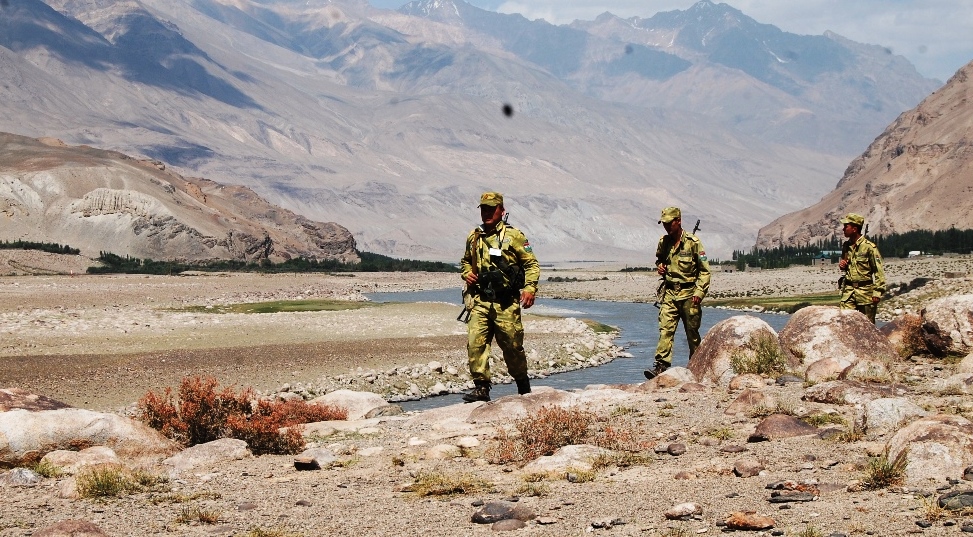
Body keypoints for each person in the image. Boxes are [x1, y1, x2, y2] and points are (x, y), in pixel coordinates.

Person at [460, 192, 540, 402]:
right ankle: (481, 387)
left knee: (512, 347)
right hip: (480, 300)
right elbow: (465, 261)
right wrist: (467, 273)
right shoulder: (474, 236)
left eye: (491, 209)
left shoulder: (514, 236)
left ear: (501, 211)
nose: (487, 213)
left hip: (505, 302)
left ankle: (522, 384)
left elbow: (531, 264)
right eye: (483, 209)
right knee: (475, 343)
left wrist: (530, 288)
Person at [645, 207, 710, 380]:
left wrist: (699, 292)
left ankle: (696, 366)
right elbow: (659, 259)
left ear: (678, 221)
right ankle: (661, 366)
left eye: (669, 223)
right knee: (665, 329)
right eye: (664, 223)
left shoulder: (693, 242)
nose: (666, 226)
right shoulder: (663, 242)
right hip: (670, 293)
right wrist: (660, 266)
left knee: (692, 333)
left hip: (689, 294)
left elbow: (705, 271)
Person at [838, 213, 886, 323]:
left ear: (854, 229)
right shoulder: (846, 246)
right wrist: (842, 265)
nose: (843, 229)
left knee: (867, 324)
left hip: (865, 293)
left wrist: (877, 292)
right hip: (848, 292)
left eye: (846, 226)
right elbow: (846, 265)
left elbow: (878, 271)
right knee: (846, 323)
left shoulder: (869, 247)